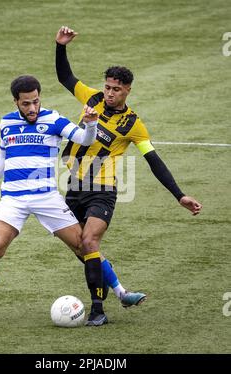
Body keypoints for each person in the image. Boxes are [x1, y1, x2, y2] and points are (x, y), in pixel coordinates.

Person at [55, 26, 203, 325]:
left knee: (90, 242)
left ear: (128, 90)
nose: (110, 93)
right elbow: (65, 78)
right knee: (82, 248)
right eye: (108, 87)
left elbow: (154, 160)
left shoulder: (134, 124)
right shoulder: (92, 98)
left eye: (117, 89)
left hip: (103, 189)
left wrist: (179, 195)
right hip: (72, 186)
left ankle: (98, 310)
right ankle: (121, 292)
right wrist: (61, 46)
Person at [0, 75, 105, 325]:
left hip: (46, 198)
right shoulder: (6, 122)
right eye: (26, 104)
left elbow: (86, 139)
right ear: (16, 102)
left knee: (83, 246)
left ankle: (121, 291)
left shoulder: (54, 119)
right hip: (13, 199)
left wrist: (91, 124)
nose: (32, 108)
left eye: (35, 101)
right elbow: (3, 157)